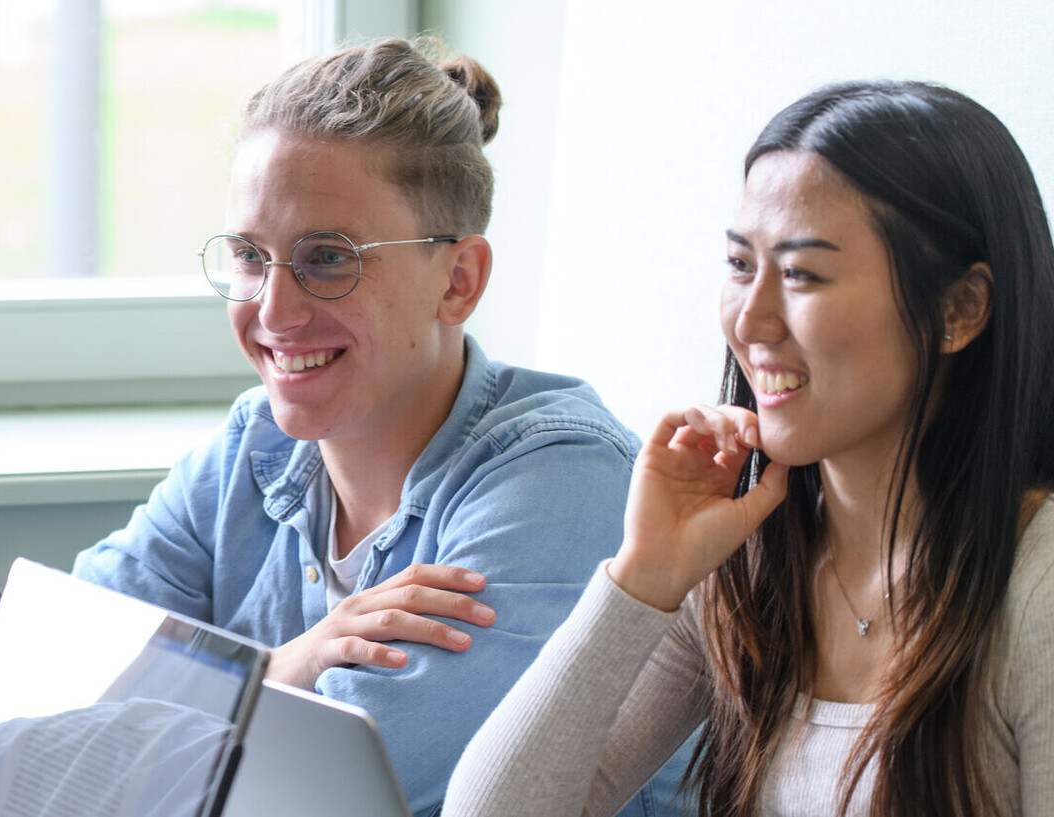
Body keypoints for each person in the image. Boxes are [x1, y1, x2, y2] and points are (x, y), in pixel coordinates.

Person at [72, 38, 689, 815]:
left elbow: (314, 802)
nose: (272, 311)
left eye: (328, 258)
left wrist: (193, 685)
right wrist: (290, 666)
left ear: (457, 281)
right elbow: (55, 693)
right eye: (249, 255)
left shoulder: (561, 486)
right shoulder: (249, 448)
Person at [443, 80, 1054, 816]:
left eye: (802, 273)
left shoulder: (1036, 590)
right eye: (740, 265)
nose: (753, 319)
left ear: (960, 309)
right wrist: (641, 576)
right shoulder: (748, 564)